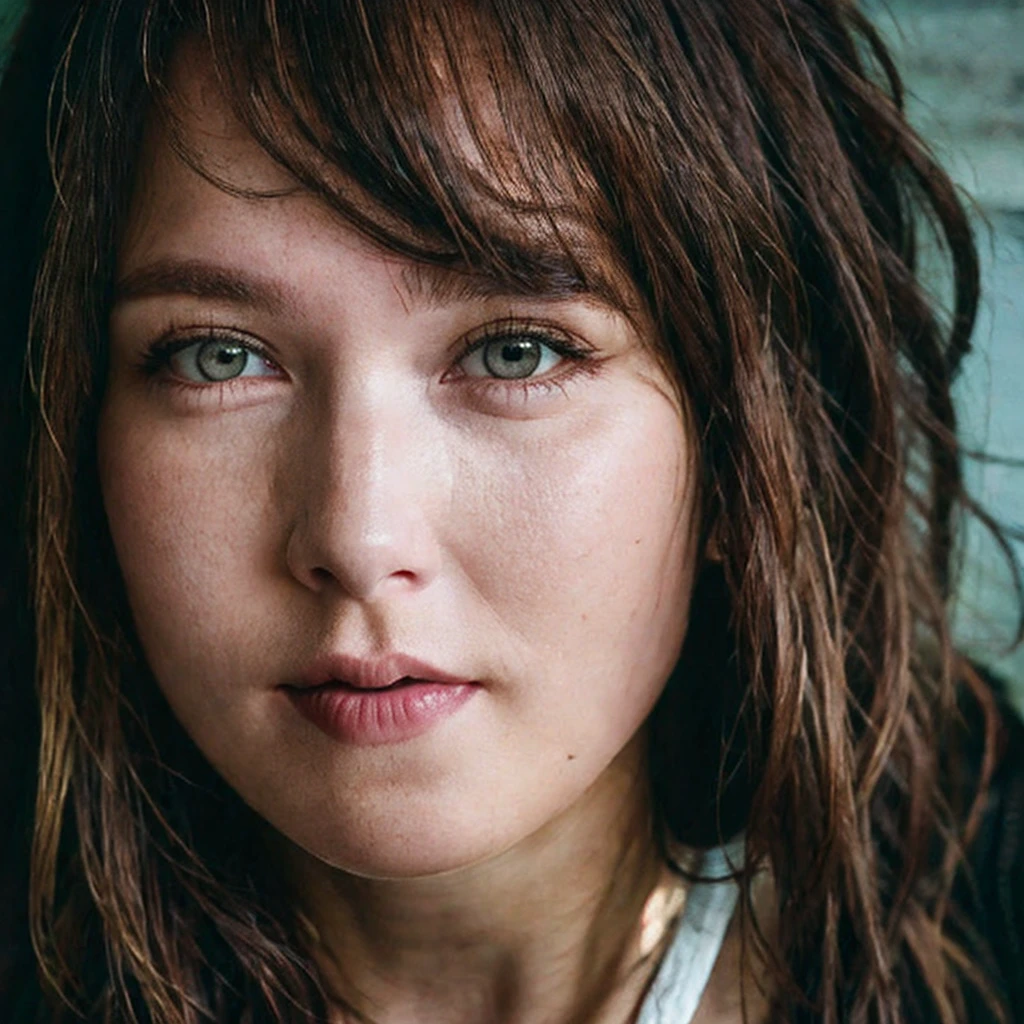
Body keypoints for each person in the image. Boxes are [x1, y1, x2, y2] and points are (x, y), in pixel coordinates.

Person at [1, 1, 1022, 1021]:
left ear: (748, 442)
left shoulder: (992, 908)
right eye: (217, 356)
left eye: (514, 351)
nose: (359, 540)